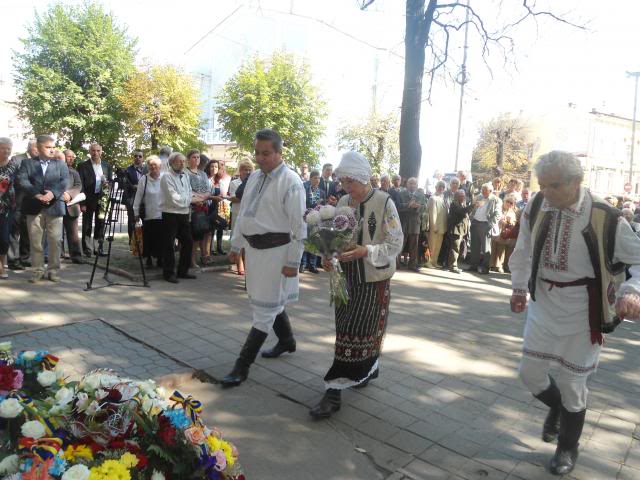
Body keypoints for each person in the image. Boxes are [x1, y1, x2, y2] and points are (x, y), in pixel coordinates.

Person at [509, 150, 640, 475]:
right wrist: (518, 286)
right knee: (530, 373)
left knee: (572, 384)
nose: (545, 192)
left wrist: (632, 290)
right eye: (541, 185)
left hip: (584, 312)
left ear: (576, 181)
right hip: (543, 305)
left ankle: (567, 447)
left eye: (553, 185)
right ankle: (558, 409)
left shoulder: (606, 217)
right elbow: (523, 249)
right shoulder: (537, 206)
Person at [309, 151, 403, 419]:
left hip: (373, 280)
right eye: (344, 181)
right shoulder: (343, 201)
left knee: (365, 330)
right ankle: (353, 377)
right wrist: (329, 256)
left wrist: (366, 251)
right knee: (345, 331)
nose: (346, 187)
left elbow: (396, 244)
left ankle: (336, 389)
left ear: (363, 177)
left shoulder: (384, 202)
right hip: (346, 278)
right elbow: (337, 239)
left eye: (351, 181)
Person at [222, 129, 306, 387]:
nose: (260, 158)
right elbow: (244, 215)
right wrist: (236, 245)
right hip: (255, 253)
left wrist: (293, 261)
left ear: (279, 153)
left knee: (264, 311)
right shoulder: (255, 177)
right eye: (257, 152)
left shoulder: (291, 181)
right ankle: (287, 340)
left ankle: (242, 365)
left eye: (266, 153)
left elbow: (299, 227)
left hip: (277, 254)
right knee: (268, 302)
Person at [17, 135, 69, 283]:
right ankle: (37, 270)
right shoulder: (27, 163)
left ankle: (53, 271)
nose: (52, 150)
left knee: (55, 240)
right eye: (48, 147)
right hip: (33, 207)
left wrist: (53, 193)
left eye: (53, 147)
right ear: (39, 147)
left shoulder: (60, 164)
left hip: (55, 207)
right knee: (35, 242)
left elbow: (65, 181)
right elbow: (22, 180)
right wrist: (37, 195)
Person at [159, 152, 197, 283]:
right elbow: (173, 198)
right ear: (171, 162)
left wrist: (190, 199)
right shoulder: (166, 177)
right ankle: (168, 273)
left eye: (183, 161)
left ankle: (183, 271)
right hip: (170, 214)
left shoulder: (185, 175)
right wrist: (190, 201)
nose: (182, 163)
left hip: (184, 214)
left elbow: (188, 192)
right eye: (179, 161)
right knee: (169, 244)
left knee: (188, 242)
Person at [77, 143, 112, 257]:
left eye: (98, 150)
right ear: (90, 151)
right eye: (93, 150)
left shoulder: (106, 165)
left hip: (102, 200)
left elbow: (111, 182)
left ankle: (98, 248)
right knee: (87, 225)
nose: (95, 153)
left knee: (100, 223)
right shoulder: (82, 166)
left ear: (101, 151)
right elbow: (80, 185)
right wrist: (82, 203)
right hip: (88, 200)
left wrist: (107, 184)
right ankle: (87, 249)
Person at [8, 139, 38, 270]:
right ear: (30, 148)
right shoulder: (17, 159)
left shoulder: (38, 162)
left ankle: (24, 257)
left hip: (32, 203)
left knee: (27, 231)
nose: (39, 151)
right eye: (37, 148)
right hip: (18, 202)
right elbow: (16, 179)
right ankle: (13, 260)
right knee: (14, 232)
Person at [133, 156, 164, 268]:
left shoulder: (165, 178)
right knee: (149, 238)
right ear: (148, 167)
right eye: (151, 165)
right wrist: (136, 212)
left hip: (163, 214)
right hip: (148, 214)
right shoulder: (144, 179)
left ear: (160, 166)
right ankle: (149, 259)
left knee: (162, 238)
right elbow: (138, 197)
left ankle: (161, 258)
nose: (153, 167)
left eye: (155, 165)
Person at [185, 149, 212, 268]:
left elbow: (208, 190)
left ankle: (193, 260)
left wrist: (202, 198)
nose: (196, 159)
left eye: (198, 157)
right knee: (188, 236)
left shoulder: (203, 174)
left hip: (202, 209)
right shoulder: (185, 173)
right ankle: (186, 260)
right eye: (194, 157)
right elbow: (187, 190)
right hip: (189, 208)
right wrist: (198, 198)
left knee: (198, 235)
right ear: (188, 159)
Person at [467, 182, 501, 274]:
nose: (482, 192)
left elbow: (497, 214)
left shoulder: (496, 200)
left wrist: (490, 225)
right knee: (474, 246)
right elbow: (473, 208)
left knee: (486, 248)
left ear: (490, 191)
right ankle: (474, 265)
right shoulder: (479, 197)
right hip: (475, 222)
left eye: (484, 190)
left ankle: (486, 268)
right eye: (482, 190)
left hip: (485, 224)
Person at [228, 159, 254, 275]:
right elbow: (234, 198)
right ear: (240, 171)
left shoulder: (254, 182)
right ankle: (240, 265)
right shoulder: (235, 183)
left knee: (248, 242)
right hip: (237, 213)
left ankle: (247, 263)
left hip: (250, 215)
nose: (247, 172)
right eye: (245, 170)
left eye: (249, 170)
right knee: (237, 240)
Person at [0, 138, 19, 279]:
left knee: (5, 238)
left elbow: (20, 183)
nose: (6, 151)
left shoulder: (14, 166)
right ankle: (1, 267)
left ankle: (3, 263)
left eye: (8, 148)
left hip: (7, 207)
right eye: (3, 148)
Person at [300, 169, 326, 274]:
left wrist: (320, 205)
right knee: (305, 241)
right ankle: (303, 264)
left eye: (319, 178)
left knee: (314, 243)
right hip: (306, 219)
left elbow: (323, 208)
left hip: (316, 221)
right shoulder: (305, 190)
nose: (318, 180)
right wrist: (314, 204)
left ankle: (313, 265)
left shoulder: (322, 192)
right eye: (315, 178)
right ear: (310, 179)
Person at [397, 177, 425, 271]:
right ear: (407, 185)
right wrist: (408, 205)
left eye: (414, 184)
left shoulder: (421, 195)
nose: (412, 185)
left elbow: (424, 208)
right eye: (410, 183)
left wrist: (417, 207)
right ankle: (396, 263)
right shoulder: (400, 194)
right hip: (403, 222)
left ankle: (412, 265)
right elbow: (398, 207)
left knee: (414, 245)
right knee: (400, 243)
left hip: (415, 223)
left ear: (417, 185)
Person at [61, 150, 83, 264]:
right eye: (68, 157)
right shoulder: (55, 169)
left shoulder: (74, 172)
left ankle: (76, 256)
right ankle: (59, 255)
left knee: (73, 233)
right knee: (57, 233)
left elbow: (79, 185)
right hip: (57, 205)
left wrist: (69, 194)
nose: (71, 159)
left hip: (71, 206)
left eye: (72, 157)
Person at [204, 159, 228, 256]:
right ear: (208, 167)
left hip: (218, 208)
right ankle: (206, 254)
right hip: (207, 208)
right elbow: (204, 195)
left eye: (216, 167)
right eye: (212, 166)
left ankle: (210, 252)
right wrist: (214, 197)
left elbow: (223, 194)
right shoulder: (205, 179)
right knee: (208, 232)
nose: (214, 168)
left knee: (216, 229)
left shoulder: (219, 180)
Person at [122, 150, 146, 242]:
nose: (138, 158)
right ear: (133, 157)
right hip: (132, 199)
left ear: (143, 158)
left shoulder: (147, 170)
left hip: (144, 200)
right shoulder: (127, 170)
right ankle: (132, 243)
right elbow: (124, 185)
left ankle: (144, 243)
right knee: (132, 222)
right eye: (136, 156)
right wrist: (133, 186)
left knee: (145, 221)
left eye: (140, 156)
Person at [490, 194, 518, 273]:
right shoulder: (499, 209)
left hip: (508, 234)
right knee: (498, 249)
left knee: (507, 250)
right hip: (498, 232)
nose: (509, 204)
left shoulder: (513, 211)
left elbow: (514, 223)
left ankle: (504, 266)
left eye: (511, 203)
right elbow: (496, 218)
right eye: (507, 202)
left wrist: (509, 222)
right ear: (504, 201)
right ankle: (495, 265)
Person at [446, 190, 471, 273]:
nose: (463, 197)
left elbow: (466, 214)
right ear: (456, 196)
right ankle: (453, 266)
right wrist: (473, 205)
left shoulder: (463, 204)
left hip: (461, 230)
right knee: (455, 248)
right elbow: (462, 211)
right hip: (455, 230)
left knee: (457, 248)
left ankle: (454, 265)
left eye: (463, 196)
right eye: (461, 196)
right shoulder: (454, 204)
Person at [425, 180, 447, 269]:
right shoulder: (433, 198)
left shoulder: (442, 198)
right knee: (431, 246)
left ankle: (434, 261)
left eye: (443, 187)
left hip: (441, 227)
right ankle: (428, 261)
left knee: (438, 246)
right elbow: (432, 213)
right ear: (436, 187)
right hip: (435, 227)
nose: (441, 188)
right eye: (439, 186)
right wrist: (434, 226)